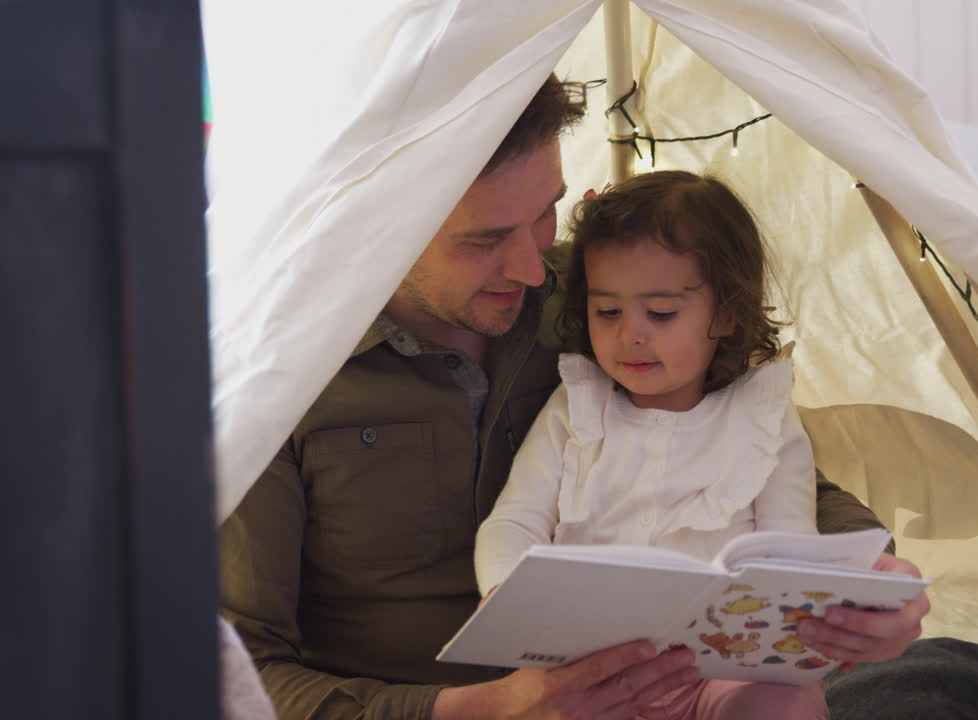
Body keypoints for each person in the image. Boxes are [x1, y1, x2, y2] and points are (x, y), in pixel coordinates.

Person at [219, 75, 927, 720]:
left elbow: (743, 446)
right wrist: (484, 710)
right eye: (486, 239)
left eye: (545, 213)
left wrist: (869, 584)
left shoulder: (595, 297)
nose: (533, 268)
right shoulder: (275, 379)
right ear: (380, 218)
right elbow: (235, 670)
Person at [476, 169, 843, 718]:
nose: (632, 334)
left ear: (727, 313)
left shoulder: (762, 419)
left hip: (722, 672)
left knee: (782, 703)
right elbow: (514, 519)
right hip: (587, 672)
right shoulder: (576, 407)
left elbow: (789, 552)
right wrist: (506, 591)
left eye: (662, 313)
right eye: (608, 311)